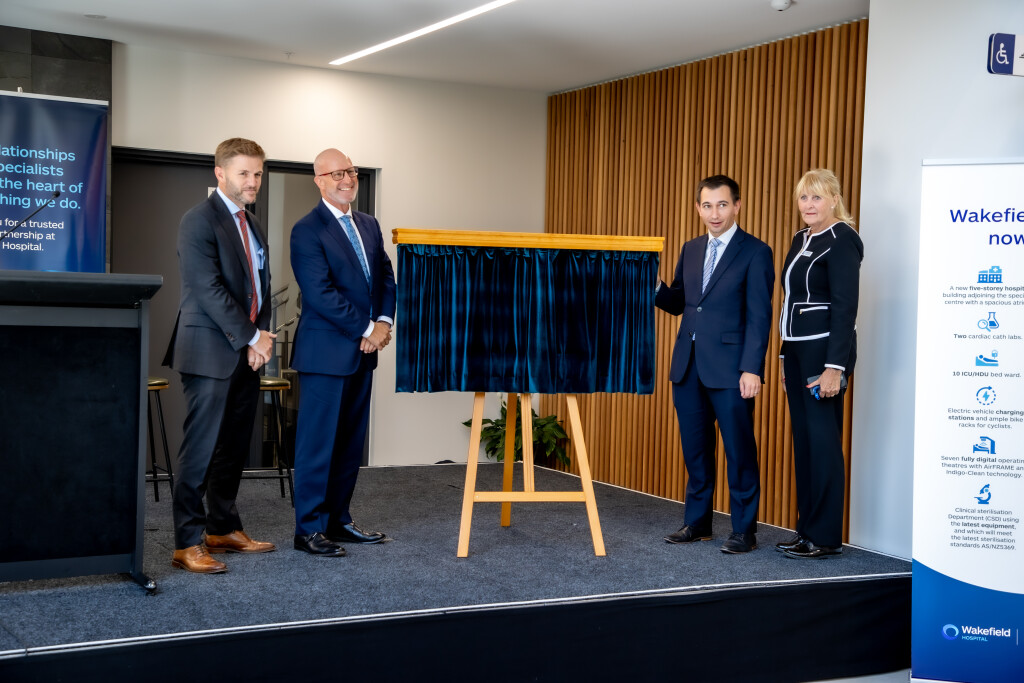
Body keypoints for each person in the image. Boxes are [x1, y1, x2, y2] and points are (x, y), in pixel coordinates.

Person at [163, 138, 277, 574]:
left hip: (246, 351)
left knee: (233, 445)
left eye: (258, 174)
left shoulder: (253, 223)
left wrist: (259, 337)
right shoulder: (198, 220)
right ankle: (186, 542)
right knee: (202, 448)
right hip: (209, 350)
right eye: (244, 173)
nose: (252, 182)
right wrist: (251, 337)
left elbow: (260, 287)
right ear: (220, 173)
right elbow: (207, 288)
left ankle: (222, 528)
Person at [656, 175, 775, 554]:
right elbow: (680, 302)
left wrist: (752, 368)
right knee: (695, 450)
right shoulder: (691, 249)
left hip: (732, 370)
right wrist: (654, 287)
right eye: (707, 206)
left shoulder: (756, 252)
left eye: (722, 204)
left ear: (737, 205)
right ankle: (697, 523)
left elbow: (759, 316)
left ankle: (744, 530)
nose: (715, 213)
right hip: (687, 365)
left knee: (739, 451)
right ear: (698, 208)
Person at [289, 148, 396, 557]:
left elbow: (384, 276)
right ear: (319, 181)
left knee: (350, 443)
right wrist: (368, 329)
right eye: (336, 174)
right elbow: (320, 294)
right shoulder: (307, 230)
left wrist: (383, 321)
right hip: (324, 354)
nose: (346, 179)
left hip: (362, 352)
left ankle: (338, 520)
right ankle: (308, 530)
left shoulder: (368, 224)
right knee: (318, 445)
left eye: (350, 171)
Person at [776, 169, 863, 559]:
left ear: (834, 200)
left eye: (816, 197)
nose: (808, 205)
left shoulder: (843, 239)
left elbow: (845, 308)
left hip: (824, 352)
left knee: (823, 443)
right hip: (797, 352)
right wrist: (783, 355)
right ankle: (806, 531)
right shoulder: (802, 238)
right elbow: (791, 300)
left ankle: (825, 537)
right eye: (803, 197)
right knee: (805, 442)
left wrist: (835, 367)